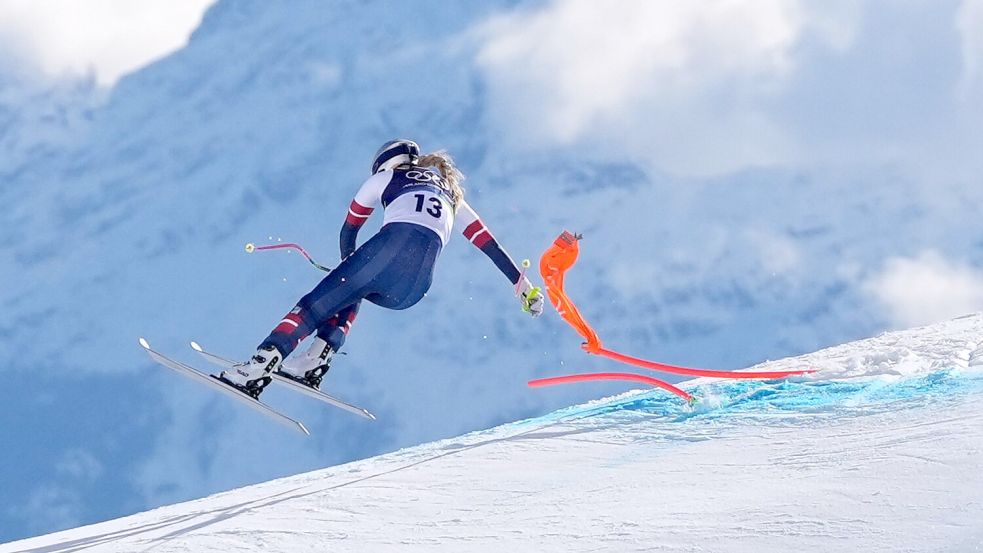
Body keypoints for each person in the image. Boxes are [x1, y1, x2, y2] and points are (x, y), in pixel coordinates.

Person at [221, 139, 544, 398]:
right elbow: (490, 246)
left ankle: (257, 367)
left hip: (388, 252)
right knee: (355, 285)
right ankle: (316, 359)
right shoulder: (452, 195)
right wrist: (523, 287)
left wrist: (343, 273)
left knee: (316, 304)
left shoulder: (386, 178)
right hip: (413, 290)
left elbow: (349, 230)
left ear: (384, 163)